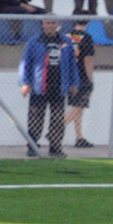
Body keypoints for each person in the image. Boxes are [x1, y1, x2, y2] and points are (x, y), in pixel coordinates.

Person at [20, 20, 77, 157]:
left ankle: (56, 148)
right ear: (43, 25)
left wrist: (74, 83)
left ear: (57, 25)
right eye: (47, 23)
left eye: (53, 23)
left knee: (57, 119)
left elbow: (72, 64)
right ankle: (32, 146)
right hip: (40, 86)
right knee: (35, 118)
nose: (50, 26)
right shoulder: (35, 41)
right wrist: (25, 82)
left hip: (59, 86)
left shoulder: (65, 41)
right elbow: (26, 62)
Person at [65, 20, 97, 148]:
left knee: (79, 107)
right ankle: (56, 129)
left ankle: (79, 137)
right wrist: (90, 79)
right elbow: (87, 59)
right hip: (82, 75)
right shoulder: (86, 37)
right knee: (80, 104)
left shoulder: (67, 36)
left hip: (70, 75)